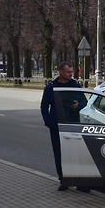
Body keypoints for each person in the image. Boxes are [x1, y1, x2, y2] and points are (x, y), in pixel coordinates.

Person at [40, 62, 82, 191]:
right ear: (60, 72)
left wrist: (78, 105)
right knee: (59, 153)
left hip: (73, 124)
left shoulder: (75, 85)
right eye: (68, 72)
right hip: (56, 126)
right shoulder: (51, 87)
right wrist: (49, 122)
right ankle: (63, 180)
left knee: (76, 153)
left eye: (71, 72)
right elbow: (44, 106)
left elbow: (85, 101)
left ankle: (81, 182)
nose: (71, 74)